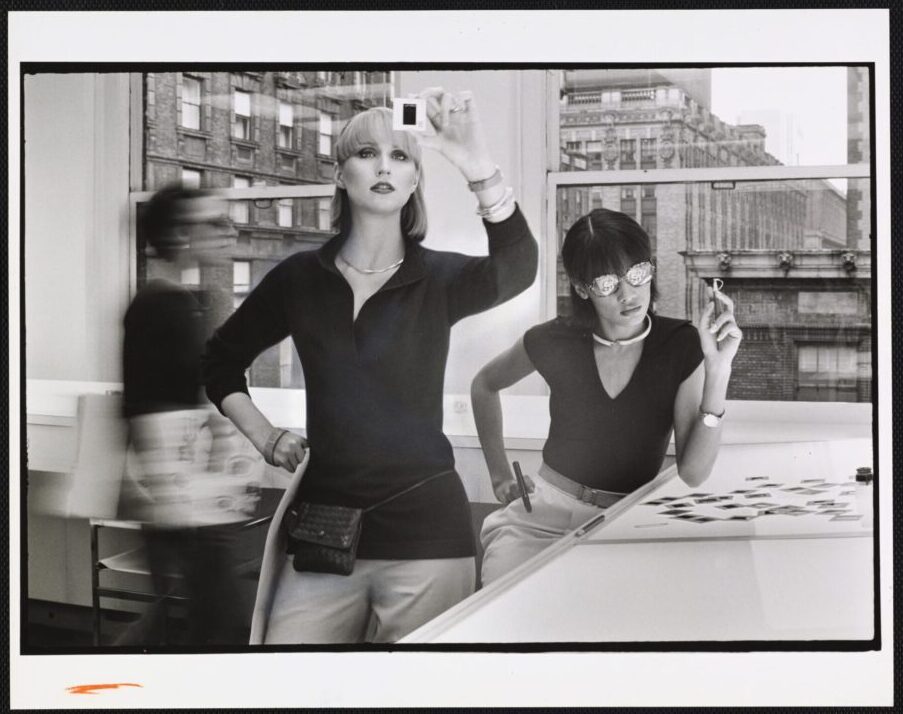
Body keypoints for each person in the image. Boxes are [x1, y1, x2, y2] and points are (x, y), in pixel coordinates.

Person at [201, 88, 538, 644]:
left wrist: (476, 164)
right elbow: (220, 361)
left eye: (401, 156)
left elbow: (519, 267)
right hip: (323, 534)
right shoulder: (299, 279)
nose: (384, 165)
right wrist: (265, 437)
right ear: (340, 175)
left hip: (428, 537)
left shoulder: (439, 279)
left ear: (413, 182)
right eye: (366, 153)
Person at [472, 208, 742, 586]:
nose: (628, 294)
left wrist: (718, 369)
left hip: (625, 520)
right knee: (502, 620)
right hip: (542, 518)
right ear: (582, 288)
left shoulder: (679, 344)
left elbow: (693, 473)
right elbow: (484, 384)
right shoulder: (554, 340)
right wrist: (500, 476)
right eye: (606, 283)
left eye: (637, 274)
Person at [120, 184, 251, 646]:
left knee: (196, 622)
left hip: (191, 496)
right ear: (178, 236)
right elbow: (142, 407)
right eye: (213, 223)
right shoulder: (159, 308)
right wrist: (169, 498)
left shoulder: (176, 302)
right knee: (217, 626)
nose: (227, 231)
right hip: (187, 500)